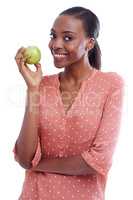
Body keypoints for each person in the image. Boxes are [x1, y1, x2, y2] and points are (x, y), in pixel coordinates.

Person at [13, 6, 124, 200]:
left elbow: (99, 161)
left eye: (67, 38)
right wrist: (33, 90)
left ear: (89, 43)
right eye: (53, 35)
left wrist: (38, 165)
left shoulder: (110, 85)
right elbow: (25, 158)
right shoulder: (42, 85)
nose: (55, 44)